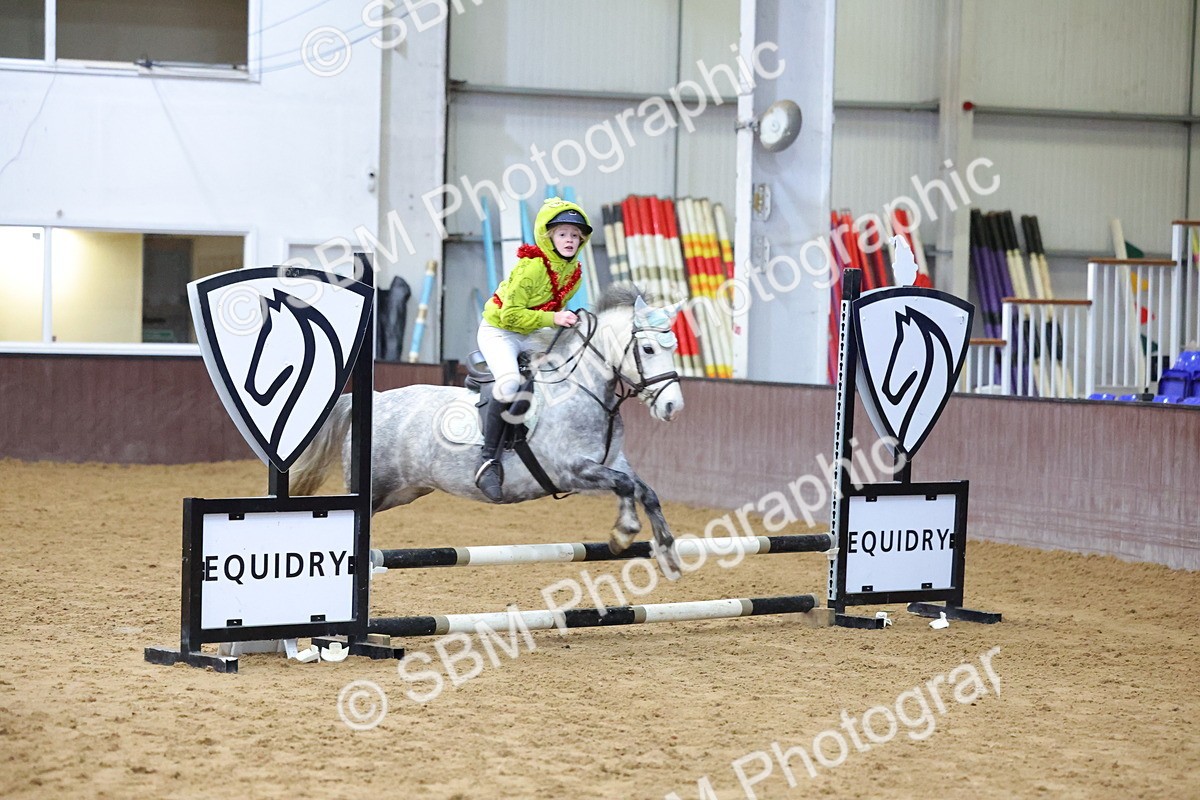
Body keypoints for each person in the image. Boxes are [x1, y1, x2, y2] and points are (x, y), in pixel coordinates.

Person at [474, 196, 592, 501]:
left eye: (575, 235)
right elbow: (509, 315)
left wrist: (568, 322)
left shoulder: (575, 273)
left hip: (530, 332)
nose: (570, 239)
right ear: (549, 236)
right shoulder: (531, 267)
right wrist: (554, 318)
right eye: (563, 233)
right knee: (511, 383)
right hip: (499, 330)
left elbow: (552, 312)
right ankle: (488, 459)